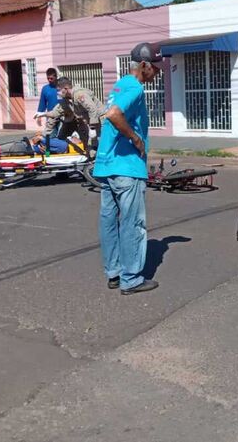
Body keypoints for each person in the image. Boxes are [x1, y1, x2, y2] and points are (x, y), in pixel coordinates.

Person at [92, 42, 160, 295]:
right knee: (132, 223)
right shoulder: (135, 88)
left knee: (109, 221)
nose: (157, 73)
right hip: (126, 167)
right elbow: (113, 114)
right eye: (155, 68)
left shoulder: (119, 84)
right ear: (143, 65)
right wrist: (135, 138)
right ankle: (131, 279)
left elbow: (111, 111)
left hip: (107, 165)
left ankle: (115, 272)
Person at [38, 76, 105, 153]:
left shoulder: (79, 94)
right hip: (88, 123)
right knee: (90, 148)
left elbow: (93, 109)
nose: (58, 93)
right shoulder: (66, 100)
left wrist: (92, 127)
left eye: (59, 90)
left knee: (101, 147)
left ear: (66, 88)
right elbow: (55, 113)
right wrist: (43, 114)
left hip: (100, 122)